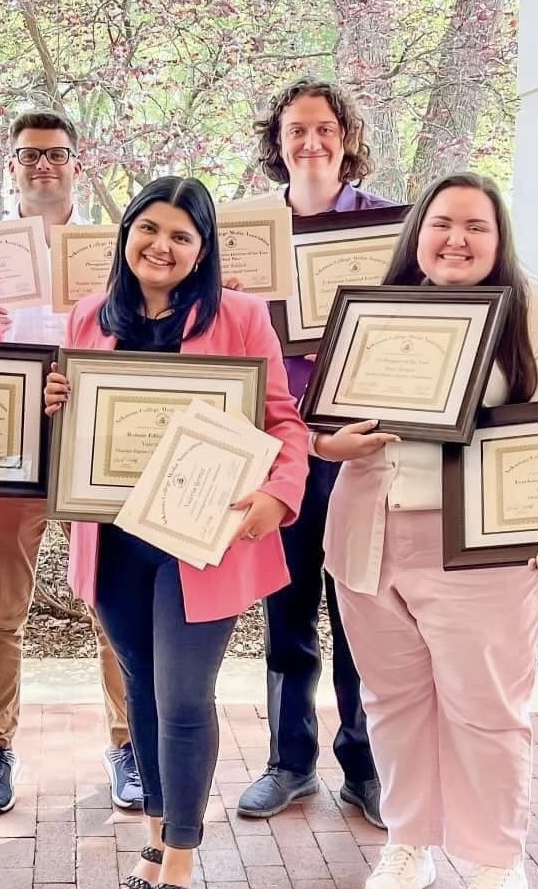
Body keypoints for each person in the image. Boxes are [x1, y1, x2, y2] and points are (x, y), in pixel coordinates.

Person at [44, 176, 309, 889]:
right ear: (126, 235)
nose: (161, 246)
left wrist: (276, 497)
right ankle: (156, 834)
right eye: (148, 229)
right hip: (116, 539)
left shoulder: (239, 316)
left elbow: (282, 422)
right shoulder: (88, 318)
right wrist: (54, 403)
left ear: (202, 250)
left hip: (204, 542)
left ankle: (182, 866)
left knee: (186, 696)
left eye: (181, 236)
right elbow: (68, 438)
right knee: (144, 697)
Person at [319, 172, 538, 889]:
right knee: (393, 700)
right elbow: (322, 416)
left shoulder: (534, 316)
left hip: (480, 548)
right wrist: (328, 443)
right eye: (442, 223)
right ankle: (408, 840)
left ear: (498, 239)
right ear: (418, 232)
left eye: (476, 226)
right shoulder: (374, 310)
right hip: (369, 538)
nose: (456, 240)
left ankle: (499, 859)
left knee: (485, 709)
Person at [234, 79, 396, 827]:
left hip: (364, 447)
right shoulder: (250, 231)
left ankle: (363, 766)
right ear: (277, 141)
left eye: (324, 128)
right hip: (288, 450)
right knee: (288, 611)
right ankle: (288, 762)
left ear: (345, 138)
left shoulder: (387, 227)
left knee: (359, 611)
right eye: (296, 130)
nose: (310, 142)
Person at [0, 109, 138, 815]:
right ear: (10, 164)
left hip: (90, 449)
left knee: (110, 606)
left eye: (56, 155)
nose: (43, 166)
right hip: (12, 451)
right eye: (29, 156)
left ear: (78, 162)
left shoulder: (114, 247)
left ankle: (128, 745)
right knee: (1, 611)